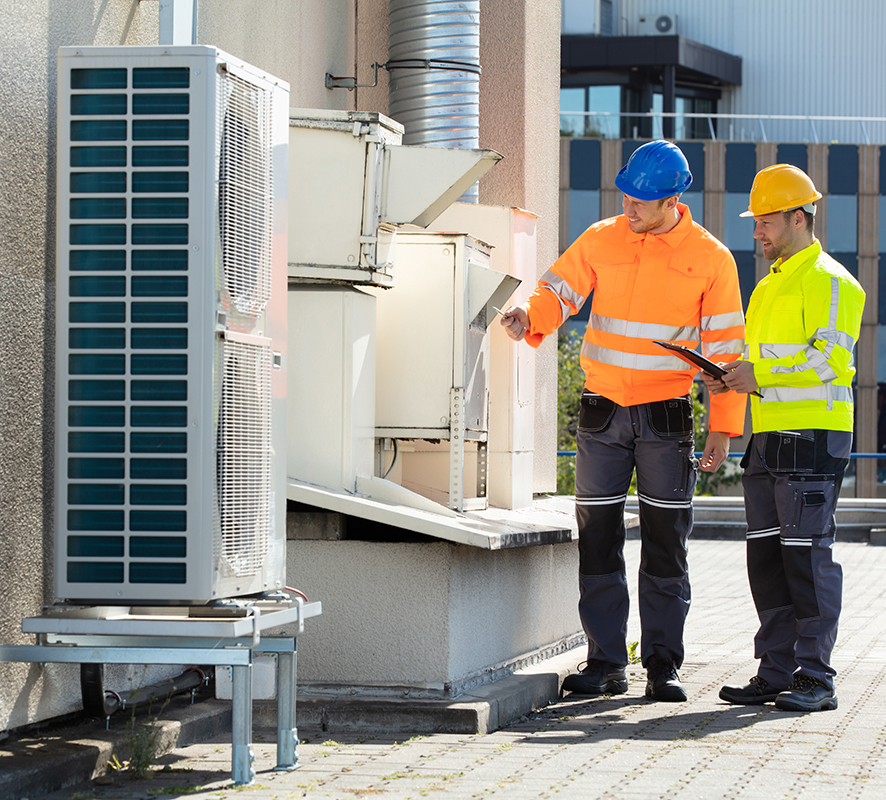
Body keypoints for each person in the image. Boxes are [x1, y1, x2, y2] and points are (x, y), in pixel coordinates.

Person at [501, 140, 746, 702]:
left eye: (642, 200)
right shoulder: (601, 238)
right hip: (602, 413)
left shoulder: (711, 259)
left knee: (666, 544)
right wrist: (529, 317)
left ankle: (663, 666)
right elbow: (558, 291)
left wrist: (723, 428)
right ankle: (607, 662)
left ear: (674, 198)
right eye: (627, 195)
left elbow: (727, 353)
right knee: (598, 541)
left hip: (666, 418)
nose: (630, 207)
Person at [705, 164, 865, 712]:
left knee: (806, 558)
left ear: (798, 218)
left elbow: (831, 361)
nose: (757, 232)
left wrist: (759, 373)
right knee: (767, 560)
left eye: (766, 221)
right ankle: (775, 672)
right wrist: (732, 373)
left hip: (814, 439)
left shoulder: (833, 282)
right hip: (769, 438)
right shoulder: (771, 284)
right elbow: (769, 362)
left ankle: (817, 678)